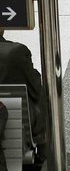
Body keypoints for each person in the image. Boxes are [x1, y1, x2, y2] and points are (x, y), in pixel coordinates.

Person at [0, 32, 46, 167]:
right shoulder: (16, 52)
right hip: (21, 120)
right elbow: (35, 87)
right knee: (43, 94)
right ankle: (44, 150)